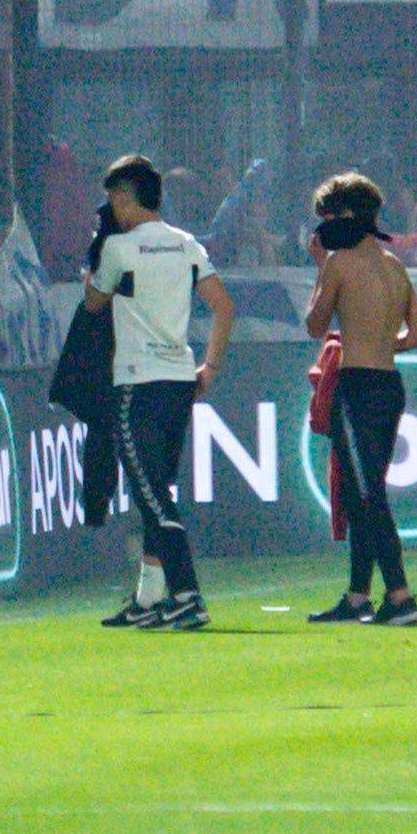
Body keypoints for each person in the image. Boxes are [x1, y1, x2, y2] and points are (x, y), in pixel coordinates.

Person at [84, 154, 236, 630]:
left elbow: (94, 303)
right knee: (157, 489)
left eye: (114, 198)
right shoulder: (185, 244)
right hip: (177, 380)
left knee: (152, 495)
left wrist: (91, 269)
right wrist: (208, 364)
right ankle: (150, 599)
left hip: (136, 380)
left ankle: (187, 593)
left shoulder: (119, 249)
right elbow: (223, 307)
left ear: (127, 198)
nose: (112, 207)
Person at [303, 172, 417, 627]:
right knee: (362, 493)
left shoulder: (339, 262)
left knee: (368, 494)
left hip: (356, 390)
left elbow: (316, 325)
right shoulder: (395, 266)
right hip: (389, 387)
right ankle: (359, 595)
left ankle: (399, 594)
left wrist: (322, 269)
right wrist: (380, 342)